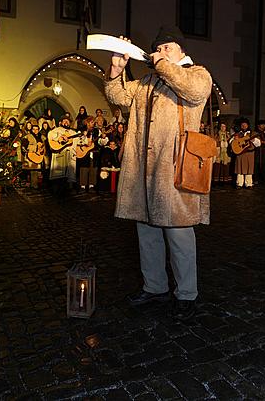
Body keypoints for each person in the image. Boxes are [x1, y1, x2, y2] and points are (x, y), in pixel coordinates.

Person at [104, 25, 212, 322]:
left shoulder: (197, 74)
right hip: (144, 171)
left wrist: (161, 64)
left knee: (178, 234)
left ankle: (187, 294)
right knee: (147, 231)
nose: (161, 52)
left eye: (167, 48)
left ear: (181, 52)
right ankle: (155, 287)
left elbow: (194, 91)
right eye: (159, 48)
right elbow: (118, 97)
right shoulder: (148, 82)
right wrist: (117, 68)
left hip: (175, 169)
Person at [48, 115, 79, 197]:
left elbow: (78, 142)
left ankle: (68, 190)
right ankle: (56, 191)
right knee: (58, 175)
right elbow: (51, 136)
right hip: (60, 155)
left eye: (68, 121)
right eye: (64, 121)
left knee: (69, 174)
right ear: (61, 122)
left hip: (70, 155)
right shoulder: (56, 130)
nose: (66, 122)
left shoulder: (73, 132)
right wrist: (60, 137)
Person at [229, 118, 261, 189]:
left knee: (249, 169)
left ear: (248, 125)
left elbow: (259, 144)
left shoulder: (253, 133)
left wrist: (254, 140)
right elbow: (230, 142)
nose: (243, 126)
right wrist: (234, 139)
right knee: (239, 168)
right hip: (240, 153)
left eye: (245, 125)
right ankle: (239, 183)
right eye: (242, 125)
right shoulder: (237, 134)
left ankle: (249, 184)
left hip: (250, 153)